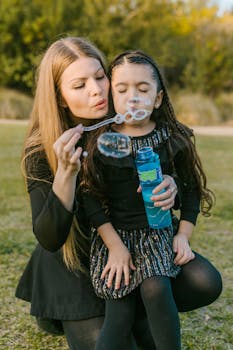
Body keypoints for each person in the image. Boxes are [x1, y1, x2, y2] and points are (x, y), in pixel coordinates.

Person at [15, 37, 221, 350]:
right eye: (79, 84)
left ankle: (140, 301)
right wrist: (66, 173)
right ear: (59, 97)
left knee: (203, 281)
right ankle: (59, 313)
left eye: (100, 77)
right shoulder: (42, 149)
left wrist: (172, 185)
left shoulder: (127, 123)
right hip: (75, 261)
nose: (97, 90)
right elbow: (50, 237)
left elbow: (174, 178)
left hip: (134, 241)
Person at [80, 50, 223, 350]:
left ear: (158, 98)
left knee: (156, 286)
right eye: (122, 90)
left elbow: (191, 190)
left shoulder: (173, 138)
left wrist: (183, 236)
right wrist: (115, 247)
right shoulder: (101, 142)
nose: (132, 97)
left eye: (143, 90)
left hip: (158, 235)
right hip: (115, 240)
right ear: (112, 97)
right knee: (120, 309)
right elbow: (90, 199)